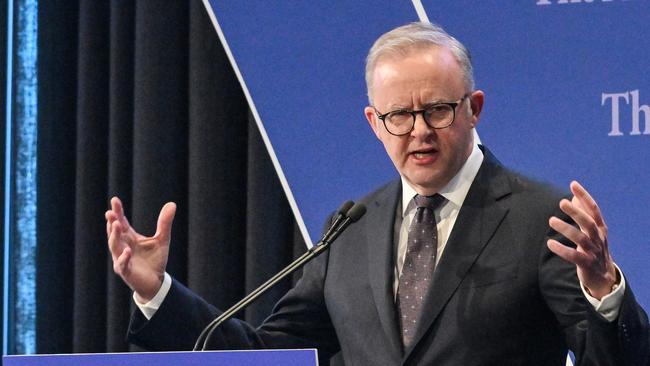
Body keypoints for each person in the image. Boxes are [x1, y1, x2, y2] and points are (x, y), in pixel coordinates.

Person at [105, 22, 649, 365]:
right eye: (398, 116)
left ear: (474, 108)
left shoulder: (539, 218)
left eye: (437, 109)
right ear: (373, 121)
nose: (419, 130)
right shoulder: (352, 227)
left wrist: (604, 291)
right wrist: (159, 293)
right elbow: (270, 356)